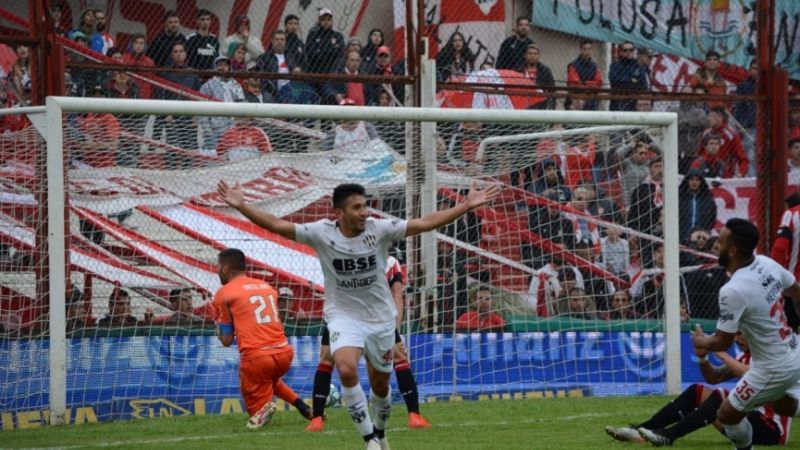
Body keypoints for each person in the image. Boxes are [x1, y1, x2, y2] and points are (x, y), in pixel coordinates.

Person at [216, 180, 499, 449]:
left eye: (365, 206)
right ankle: (369, 440)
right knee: (346, 368)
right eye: (357, 207)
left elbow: (425, 223)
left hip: (380, 318)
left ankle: (380, 432)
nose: (364, 212)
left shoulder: (380, 229)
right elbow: (277, 225)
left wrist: (466, 205)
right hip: (343, 316)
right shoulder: (321, 232)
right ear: (339, 213)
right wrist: (242, 205)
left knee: (381, 384)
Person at [691, 218, 800, 450]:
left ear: (732, 251)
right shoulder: (766, 262)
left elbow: (722, 341)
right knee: (781, 405)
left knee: (727, 414)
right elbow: (796, 291)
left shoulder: (733, 290)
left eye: (720, 242)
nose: (715, 245)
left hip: (773, 366)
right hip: (794, 348)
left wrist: (701, 342)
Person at [307, 255, 432, 432]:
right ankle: (414, 416)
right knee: (400, 358)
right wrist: (396, 329)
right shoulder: (389, 262)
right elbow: (397, 294)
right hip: (375, 318)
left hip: (344, 317)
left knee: (326, 360)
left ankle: (317, 420)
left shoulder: (341, 258)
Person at [607, 334, 790, 446]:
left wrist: (720, 353)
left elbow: (752, 375)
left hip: (772, 430)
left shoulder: (770, 356)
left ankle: (668, 435)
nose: (736, 339)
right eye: (736, 334)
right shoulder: (746, 355)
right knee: (698, 390)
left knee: (723, 396)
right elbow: (714, 377)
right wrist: (703, 358)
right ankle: (641, 430)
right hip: (743, 420)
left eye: (741, 334)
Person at [212, 248, 310, 429]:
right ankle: (303, 406)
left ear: (225, 269)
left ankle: (264, 411)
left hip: (257, 357)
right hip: (284, 352)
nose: (216, 270)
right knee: (269, 380)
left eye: (218, 266)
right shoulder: (266, 286)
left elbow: (226, 341)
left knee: (257, 420)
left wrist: (217, 325)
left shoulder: (224, 293)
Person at [678, 168, 717, 243]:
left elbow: (712, 217)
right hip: (681, 236)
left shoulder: (708, 199)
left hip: (700, 239)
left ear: (701, 182)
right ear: (687, 181)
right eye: (692, 179)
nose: (694, 182)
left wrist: (705, 231)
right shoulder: (680, 197)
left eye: (697, 180)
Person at [609, 42, 649, 111]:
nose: (628, 52)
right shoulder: (615, 66)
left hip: (635, 102)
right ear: (621, 52)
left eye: (631, 50)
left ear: (634, 51)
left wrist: (627, 81)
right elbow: (615, 81)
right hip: (618, 102)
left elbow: (643, 84)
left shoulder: (638, 66)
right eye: (625, 50)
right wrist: (632, 81)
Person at [305, 8, 345, 75]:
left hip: (332, 71)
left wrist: (320, 51)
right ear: (319, 20)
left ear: (332, 21)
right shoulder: (312, 35)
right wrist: (331, 51)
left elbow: (340, 53)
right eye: (323, 19)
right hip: (315, 70)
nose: (326, 22)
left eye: (328, 19)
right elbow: (310, 53)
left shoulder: (338, 36)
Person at [566, 41, 602, 110]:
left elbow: (599, 83)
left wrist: (585, 83)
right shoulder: (573, 65)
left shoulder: (594, 66)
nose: (587, 52)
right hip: (577, 99)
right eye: (585, 49)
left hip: (591, 100)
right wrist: (591, 85)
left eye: (589, 49)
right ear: (581, 50)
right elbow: (575, 84)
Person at [122, 34, 155, 99]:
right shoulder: (124, 58)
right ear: (131, 44)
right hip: (127, 93)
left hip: (144, 95)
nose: (139, 45)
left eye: (141, 43)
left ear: (145, 46)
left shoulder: (150, 62)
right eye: (136, 43)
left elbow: (151, 82)